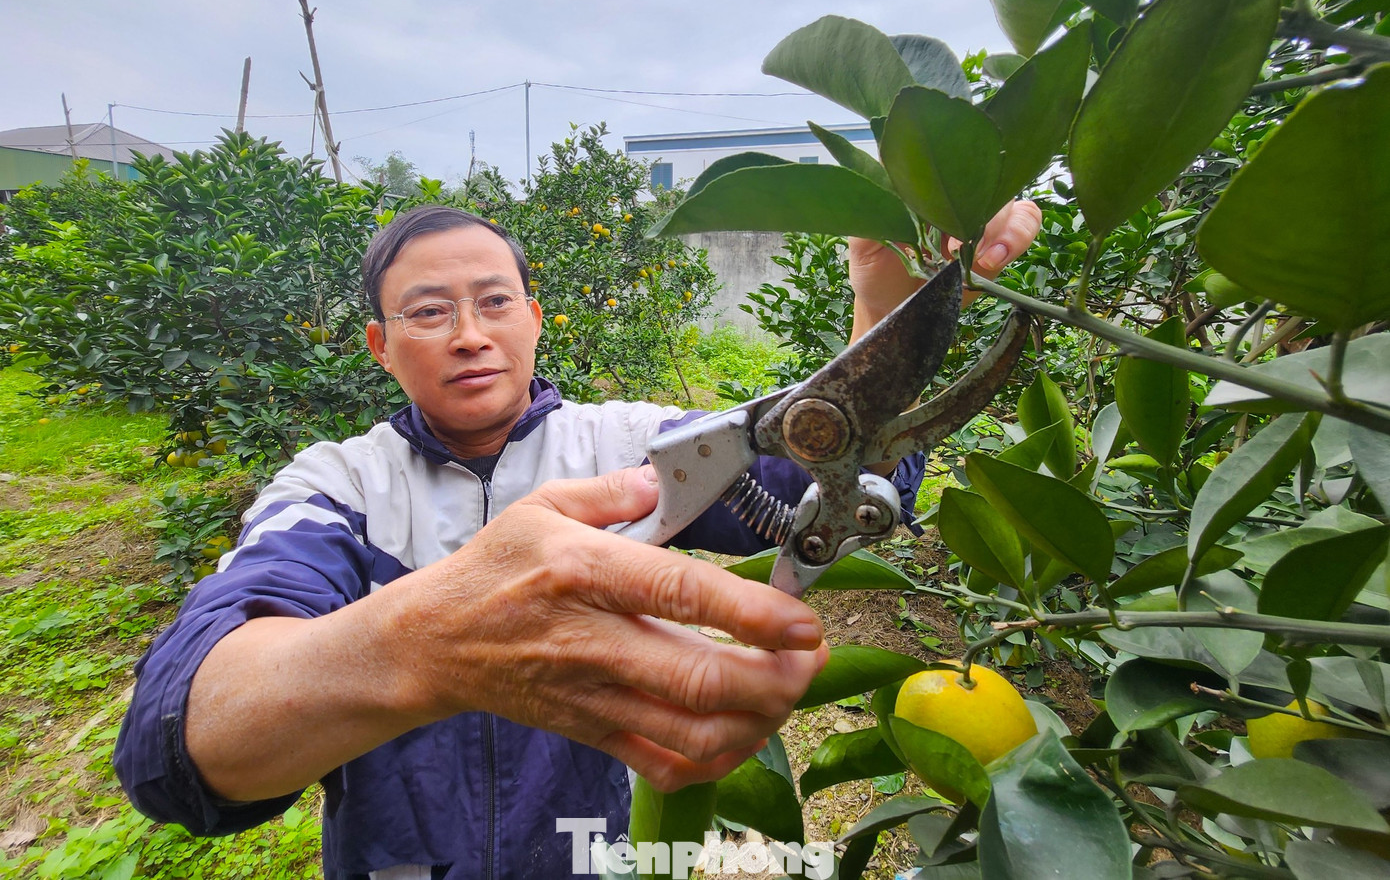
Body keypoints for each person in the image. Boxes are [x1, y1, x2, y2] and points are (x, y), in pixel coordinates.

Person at [115, 201, 1041, 879]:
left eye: (494, 302)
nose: (470, 334)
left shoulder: (624, 445)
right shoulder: (338, 486)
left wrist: (883, 306)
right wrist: (422, 646)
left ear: (534, 318)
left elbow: (836, 482)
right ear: (378, 345)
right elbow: (177, 750)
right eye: (429, 311)